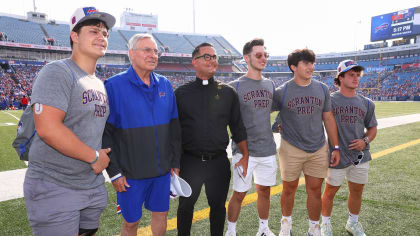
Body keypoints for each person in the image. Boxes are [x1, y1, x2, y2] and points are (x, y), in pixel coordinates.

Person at [23, 7, 115, 236]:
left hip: (89, 183)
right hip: (55, 183)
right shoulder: (58, 72)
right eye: (94, 31)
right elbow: (48, 129)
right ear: (75, 36)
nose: (101, 37)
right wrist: (94, 156)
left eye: (105, 33)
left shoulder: (98, 82)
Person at [102, 33, 181, 236]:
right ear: (131, 54)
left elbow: (174, 128)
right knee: (131, 223)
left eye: (155, 51)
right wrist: (115, 172)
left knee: (161, 215)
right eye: (147, 50)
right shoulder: (113, 86)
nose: (153, 55)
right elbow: (104, 134)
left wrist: (175, 163)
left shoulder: (165, 84)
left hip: (162, 172)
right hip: (130, 175)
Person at [175, 42, 249, 236]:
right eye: (207, 56)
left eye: (215, 57)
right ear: (194, 61)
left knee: (218, 207)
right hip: (189, 161)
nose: (212, 60)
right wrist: (174, 162)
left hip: (218, 162)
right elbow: (173, 132)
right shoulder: (181, 94)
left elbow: (238, 127)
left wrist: (246, 155)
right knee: (185, 207)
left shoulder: (228, 93)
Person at [272, 49, 340, 236]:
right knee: (288, 189)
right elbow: (262, 112)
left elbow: (328, 119)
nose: (311, 67)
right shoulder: (282, 91)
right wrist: (276, 124)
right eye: (306, 63)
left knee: (315, 190)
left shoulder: (322, 88)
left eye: (312, 63)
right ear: (293, 67)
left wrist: (335, 147)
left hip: (318, 147)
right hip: (291, 147)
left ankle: (314, 227)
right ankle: (286, 224)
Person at [225, 38, 277, 236]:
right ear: (247, 58)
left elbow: (283, 106)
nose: (263, 58)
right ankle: (231, 231)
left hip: (268, 149)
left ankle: (263, 229)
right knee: (239, 193)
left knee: (264, 191)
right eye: (258, 55)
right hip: (244, 150)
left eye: (265, 55)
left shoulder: (270, 84)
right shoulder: (235, 86)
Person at [320, 60, 377, 236]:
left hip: (360, 155)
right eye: (351, 75)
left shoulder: (367, 103)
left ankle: (352, 223)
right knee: (330, 191)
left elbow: (373, 128)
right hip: (336, 155)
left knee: (357, 190)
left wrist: (365, 141)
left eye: (357, 75)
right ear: (340, 77)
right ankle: (325, 224)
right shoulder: (329, 100)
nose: (355, 78)